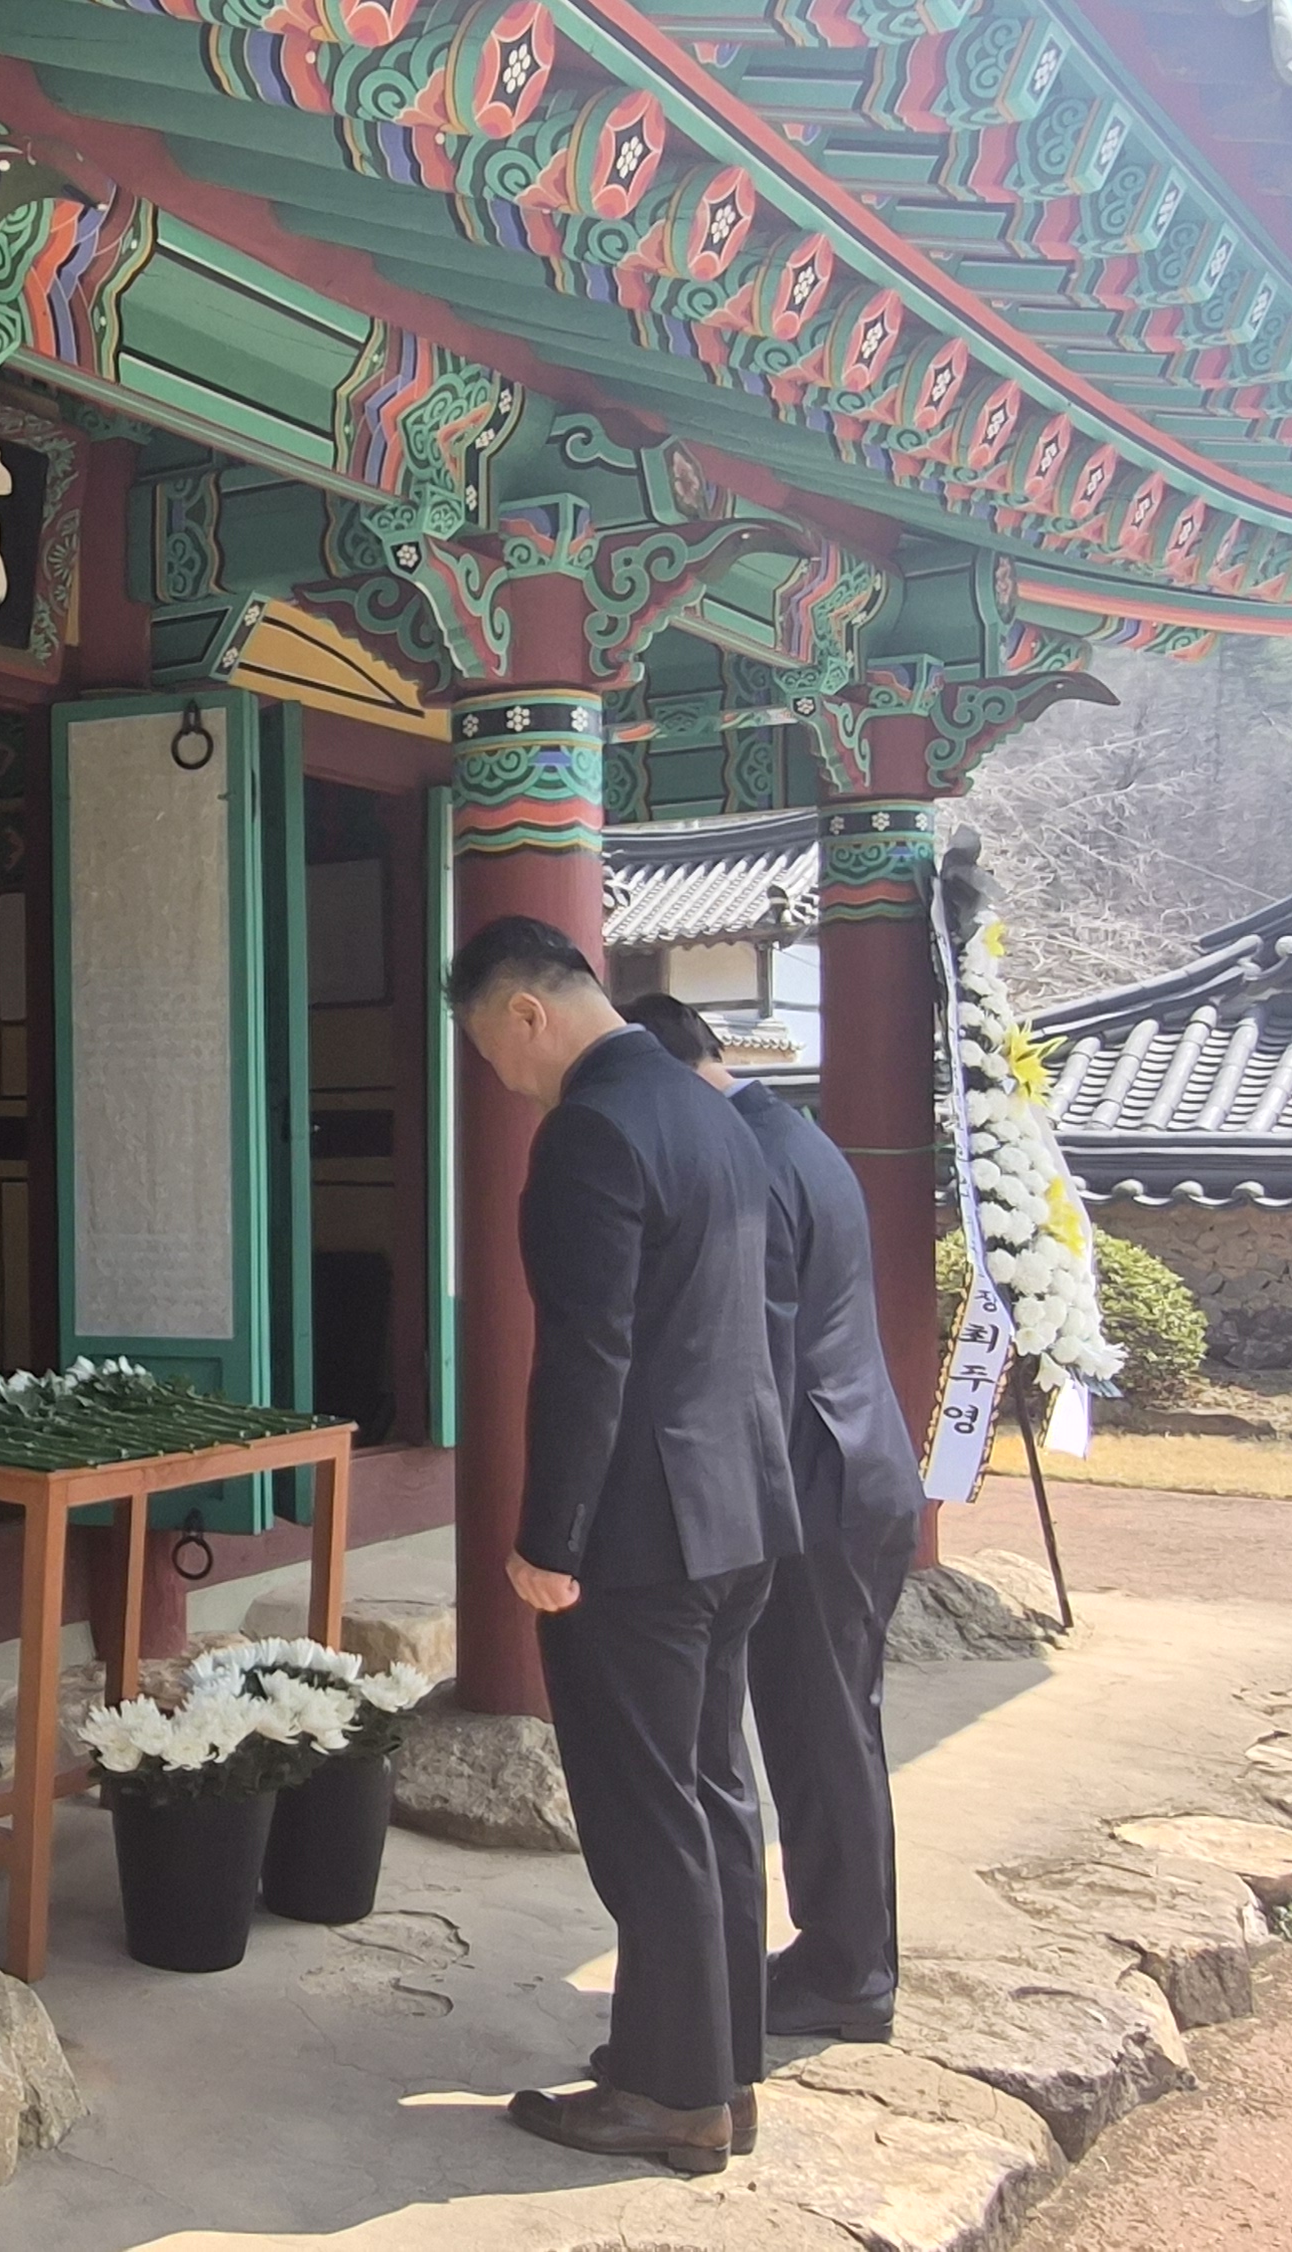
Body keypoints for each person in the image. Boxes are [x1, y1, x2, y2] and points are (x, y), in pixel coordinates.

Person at [451, 915, 802, 2173]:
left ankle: (672, 2093)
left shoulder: (591, 1129)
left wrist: (549, 1537)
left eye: (491, 1049)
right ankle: (720, 2065)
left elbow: (585, 1351)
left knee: (646, 1810)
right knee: (711, 1793)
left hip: (640, 1531)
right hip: (738, 1504)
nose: (503, 1079)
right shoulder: (713, 1113)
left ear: (525, 1011)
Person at [627, 992, 929, 2044]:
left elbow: (733, 1343)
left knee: (818, 1729)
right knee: (835, 1722)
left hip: (814, 1471)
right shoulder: (793, 1132)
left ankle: (848, 1968)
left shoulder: (740, 1160)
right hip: (857, 1453)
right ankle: (848, 1951)